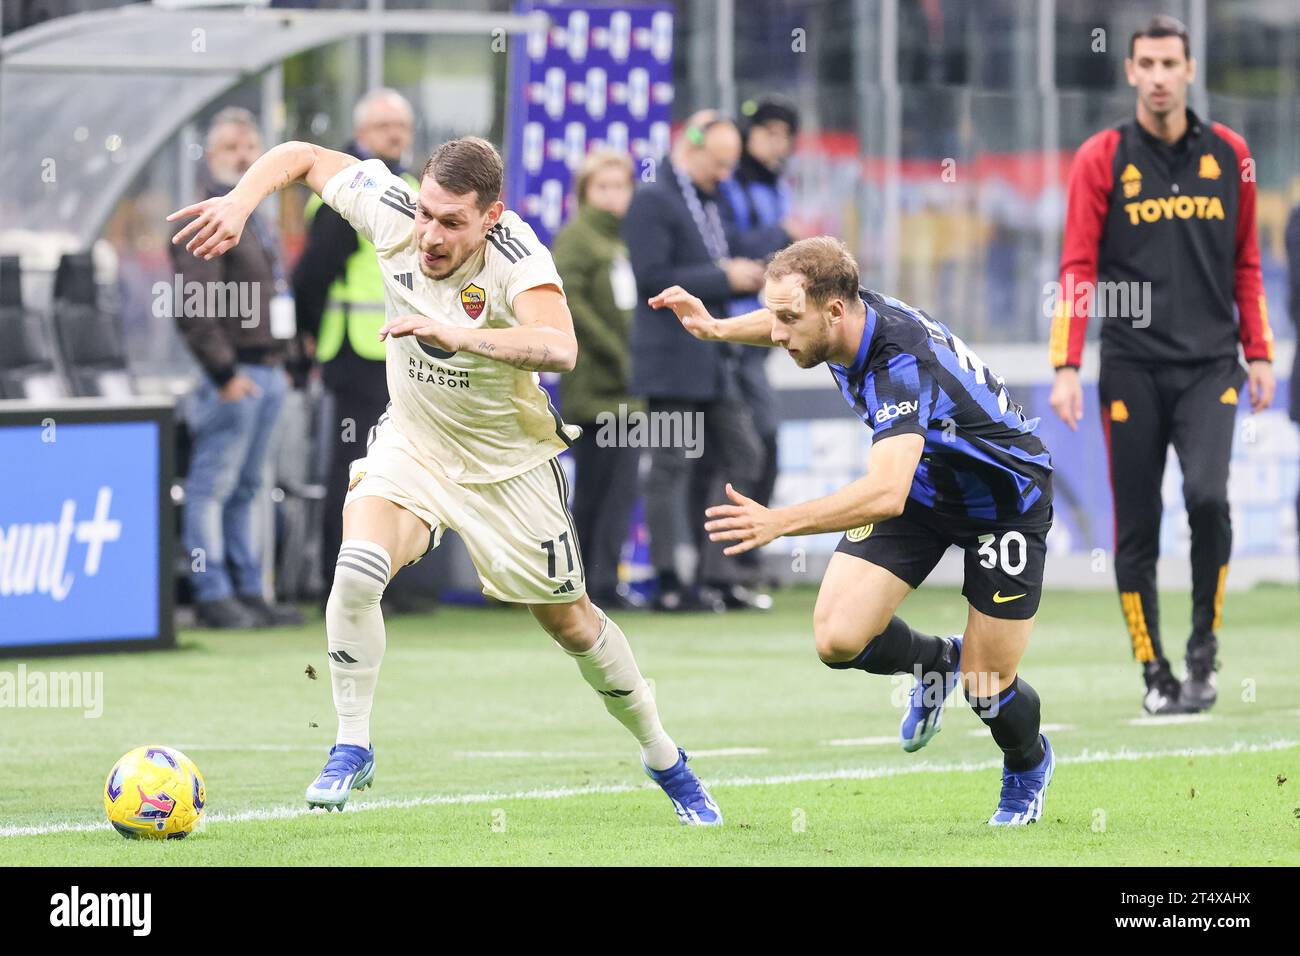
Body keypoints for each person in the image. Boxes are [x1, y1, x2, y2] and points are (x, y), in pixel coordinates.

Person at [167, 135, 721, 824]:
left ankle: (663, 755)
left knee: (571, 624)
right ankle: (351, 743)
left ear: (491, 217)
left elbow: (560, 346)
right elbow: (304, 156)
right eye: (427, 212)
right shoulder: (393, 209)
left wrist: (466, 336)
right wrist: (241, 200)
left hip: (508, 468)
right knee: (358, 568)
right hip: (415, 444)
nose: (429, 234)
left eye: (451, 222)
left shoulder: (519, 256)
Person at [653, 236, 1057, 825]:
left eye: (790, 318)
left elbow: (885, 492)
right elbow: (781, 319)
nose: (780, 332)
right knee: (837, 638)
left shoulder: (898, 361)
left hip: (1003, 502)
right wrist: (715, 329)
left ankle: (1027, 765)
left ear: (833, 311)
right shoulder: (838, 314)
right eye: (776, 314)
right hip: (926, 491)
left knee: (988, 684)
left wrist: (780, 521)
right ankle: (935, 663)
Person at [1048, 15, 1275, 714]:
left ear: (1189, 69)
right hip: (1131, 368)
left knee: (1208, 500)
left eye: (1168, 63)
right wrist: (1065, 363)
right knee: (1136, 526)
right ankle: (1155, 670)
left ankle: (1203, 648)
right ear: (1129, 72)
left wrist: (1259, 352)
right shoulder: (1102, 157)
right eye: (1144, 63)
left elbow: (1246, 261)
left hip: (1211, 367)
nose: (1156, 76)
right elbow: (1078, 264)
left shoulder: (1232, 155)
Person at [623, 110, 772, 612]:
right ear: (689, 147)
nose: (726, 174)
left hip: (713, 361)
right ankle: (668, 580)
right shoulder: (652, 199)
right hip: (669, 363)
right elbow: (652, 277)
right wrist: (723, 279)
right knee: (669, 467)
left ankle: (717, 574)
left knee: (742, 456)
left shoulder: (709, 203)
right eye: (720, 163)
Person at [170, 107, 303, 630]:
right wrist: (223, 374)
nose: (245, 157)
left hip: (266, 369)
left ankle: (250, 590)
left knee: (248, 487)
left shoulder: (257, 215)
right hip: (234, 376)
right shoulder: (208, 214)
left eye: (252, 148)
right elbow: (194, 307)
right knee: (213, 487)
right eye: (232, 148)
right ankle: (212, 591)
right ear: (210, 157)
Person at [293, 89, 418, 607]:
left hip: (399, 354)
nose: (396, 135)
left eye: (402, 126)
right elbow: (313, 273)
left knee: (398, 470)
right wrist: (304, 338)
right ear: (360, 133)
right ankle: (340, 576)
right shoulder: (345, 188)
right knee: (355, 467)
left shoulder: (409, 185)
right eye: (385, 126)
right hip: (355, 352)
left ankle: (386, 577)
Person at [553, 150, 642, 610]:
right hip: (596, 388)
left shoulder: (623, 240)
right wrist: (620, 354)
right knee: (598, 489)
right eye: (602, 187)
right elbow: (570, 305)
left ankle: (598, 580)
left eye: (620, 186)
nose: (612, 196)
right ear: (585, 191)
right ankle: (593, 583)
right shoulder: (578, 238)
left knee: (617, 489)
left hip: (626, 388)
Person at [719, 96, 801, 582]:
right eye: (768, 131)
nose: (778, 141)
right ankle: (732, 563)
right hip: (734, 334)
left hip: (764, 329)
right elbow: (726, 247)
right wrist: (779, 235)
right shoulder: (729, 185)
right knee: (747, 445)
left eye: (784, 133)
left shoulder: (773, 185)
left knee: (761, 443)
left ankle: (746, 556)